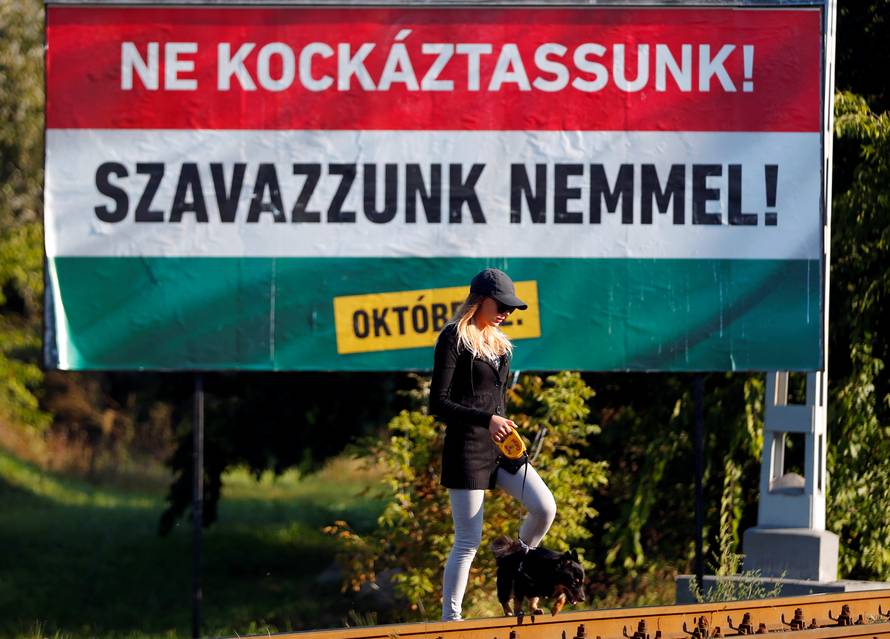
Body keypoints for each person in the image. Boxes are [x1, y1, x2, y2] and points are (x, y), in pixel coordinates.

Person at [430, 267, 557, 622]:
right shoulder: (454, 338)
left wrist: (504, 429)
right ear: (480, 300)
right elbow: (438, 403)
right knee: (468, 540)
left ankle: (518, 562)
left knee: (545, 508)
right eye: (501, 305)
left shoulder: (500, 344)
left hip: (502, 449)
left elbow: (494, 401)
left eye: (511, 308)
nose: (506, 312)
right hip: (467, 449)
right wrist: (487, 420)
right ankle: (451, 619)